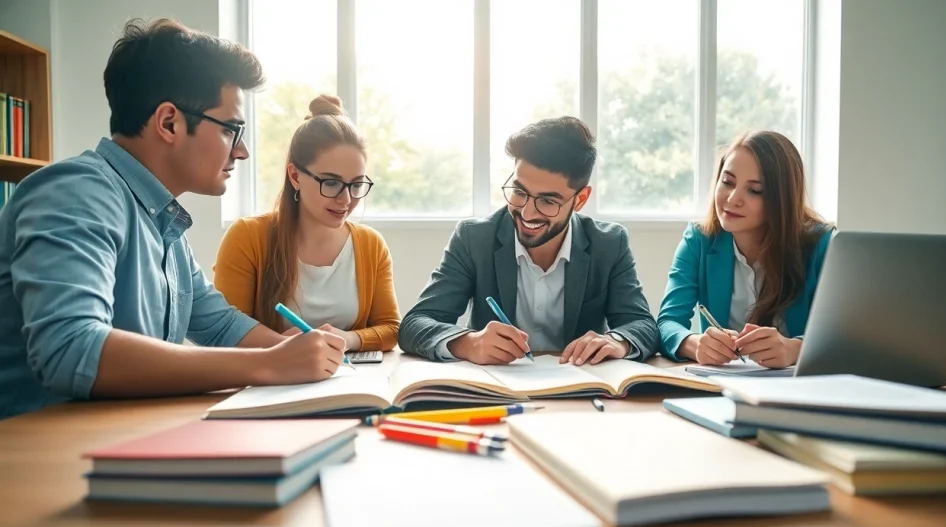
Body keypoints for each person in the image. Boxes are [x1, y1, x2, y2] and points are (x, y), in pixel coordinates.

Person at [0, 19, 347, 420]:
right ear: (169, 123)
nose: (242, 152)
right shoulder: (77, 192)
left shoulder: (164, 223)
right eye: (232, 130)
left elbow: (220, 326)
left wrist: (295, 353)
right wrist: (270, 364)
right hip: (36, 448)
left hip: (115, 436)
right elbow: (72, 349)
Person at [398, 116, 658, 365]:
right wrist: (469, 343)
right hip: (495, 387)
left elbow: (643, 325)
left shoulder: (609, 243)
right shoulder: (473, 238)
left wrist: (617, 341)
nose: (527, 213)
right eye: (519, 192)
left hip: (579, 387)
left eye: (548, 201)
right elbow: (415, 324)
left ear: (580, 200)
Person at [214, 95, 400, 352]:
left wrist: (347, 340)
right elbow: (225, 332)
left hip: (349, 374)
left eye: (356, 184)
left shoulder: (371, 245)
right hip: (271, 375)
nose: (346, 199)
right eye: (331, 183)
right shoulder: (248, 237)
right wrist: (282, 347)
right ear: (295, 176)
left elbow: (391, 329)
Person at [658, 130, 834, 368]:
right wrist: (695, 344)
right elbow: (667, 323)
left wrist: (795, 349)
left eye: (755, 190)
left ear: (782, 199)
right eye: (727, 182)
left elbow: (846, 336)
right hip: (721, 384)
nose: (732, 199)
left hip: (797, 386)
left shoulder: (823, 245)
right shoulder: (699, 240)